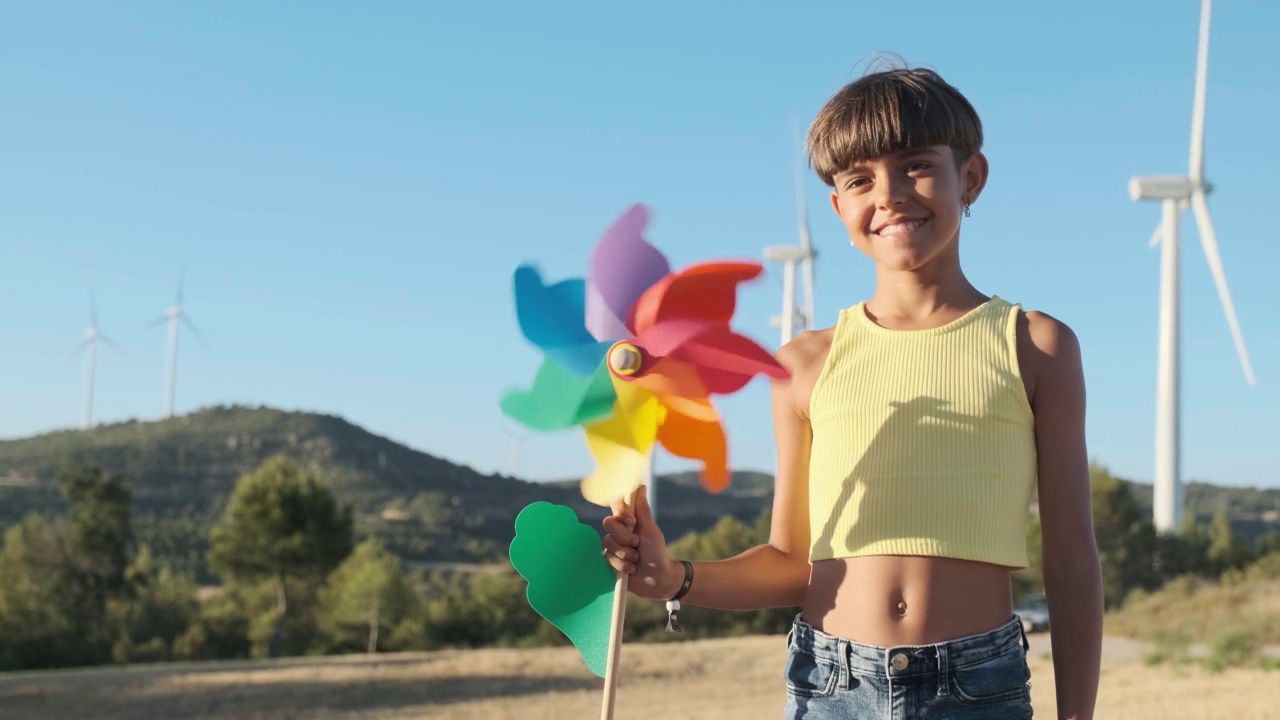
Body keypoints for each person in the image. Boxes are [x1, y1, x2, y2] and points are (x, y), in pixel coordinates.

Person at [602, 63, 1104, 719]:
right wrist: (675, 578)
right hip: (832, 685)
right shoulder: (805, 364)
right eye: (860, 179)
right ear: (839, 208)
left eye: (916, 165)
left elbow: (1070, 565)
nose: (889, 195)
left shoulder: (1034, 344)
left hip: (977, 686)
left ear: (971, 178)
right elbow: (790, 562)